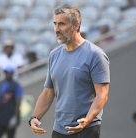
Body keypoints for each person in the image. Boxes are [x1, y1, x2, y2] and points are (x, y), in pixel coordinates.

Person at [28, 4, 110, 138]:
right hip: (59, 129)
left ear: (76, 26)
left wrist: (87, 120)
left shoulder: (95, 54)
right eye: (55, 24)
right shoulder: (54, 55)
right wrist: (34, 117)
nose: (57, 29)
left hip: (86, 129)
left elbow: (102, 94)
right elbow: (48, 93)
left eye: (61, 24)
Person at [0, 66, 23, 138]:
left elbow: (18, 102)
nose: (8, 74)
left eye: (10, 73)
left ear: (12, 73)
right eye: (7, 73)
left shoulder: (17, 86)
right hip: (1, 116)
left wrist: (15, 117)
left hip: (10, 115)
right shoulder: (2, 85)